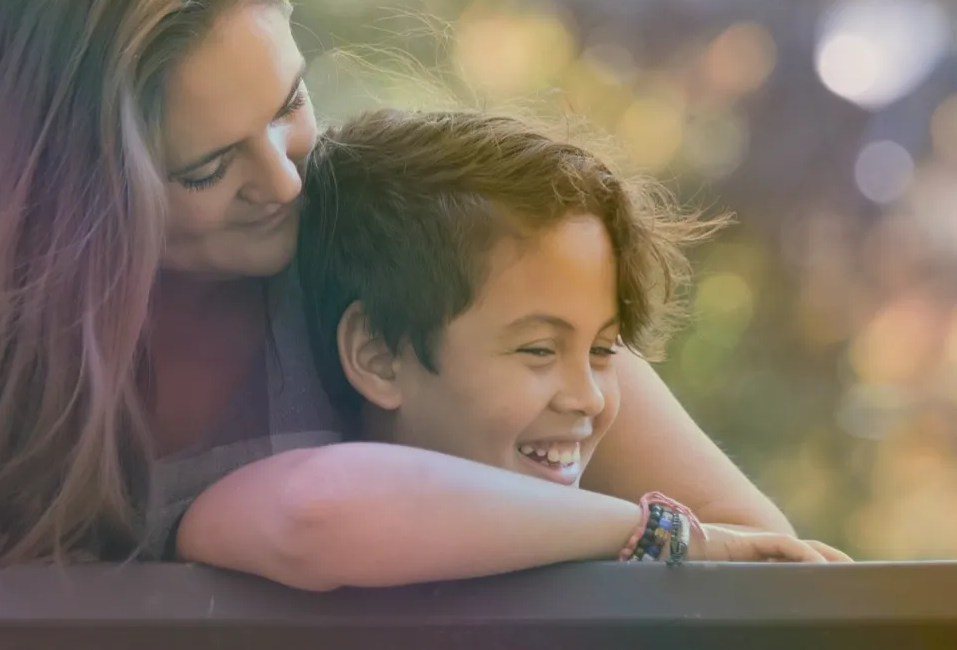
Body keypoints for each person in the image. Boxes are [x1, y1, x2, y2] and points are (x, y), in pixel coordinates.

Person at [0, 0, 820, 583]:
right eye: (204, 166)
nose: (283, 185)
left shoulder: (382, 226)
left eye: (289, 107)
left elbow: (770, 562)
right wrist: (155, 585)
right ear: (60, 196)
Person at [274, 108, 850, 574]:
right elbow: (313, 510)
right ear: (377, 356)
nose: (590, 397)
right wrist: (649, 533)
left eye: (603, 351)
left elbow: (767, 557)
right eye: (539, 351)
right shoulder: (303, 506)